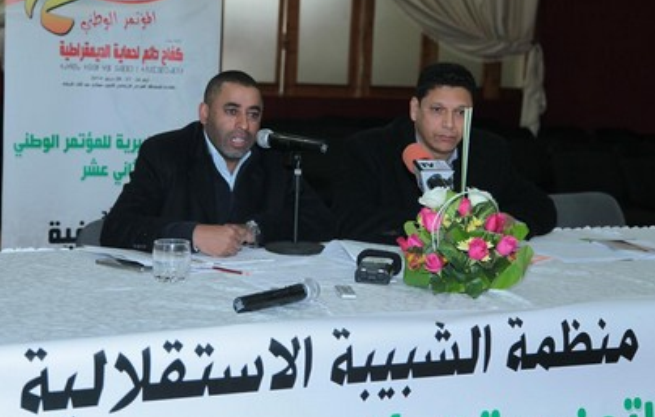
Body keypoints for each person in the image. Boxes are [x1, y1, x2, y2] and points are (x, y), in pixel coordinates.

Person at [100, 70, 335, 256]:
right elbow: (118, 227)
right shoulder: (165, 152)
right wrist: (192, 235)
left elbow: (321, 223)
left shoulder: (275, 159)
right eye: (232, 111)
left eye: (253, 114)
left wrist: (254, 230)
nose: (244, 125)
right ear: (205, 113)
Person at [332, 62, 556, 245]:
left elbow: (541, 207)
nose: (449, 124)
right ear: (415, 109)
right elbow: (349, 219)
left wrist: (510, 222)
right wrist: (443, 226)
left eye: (460, 113)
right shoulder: (370, 148)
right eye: (437, 110)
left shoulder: (489, 150)